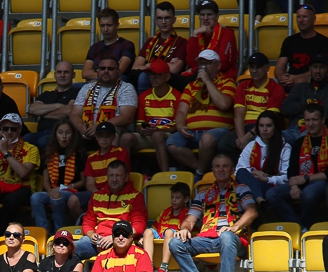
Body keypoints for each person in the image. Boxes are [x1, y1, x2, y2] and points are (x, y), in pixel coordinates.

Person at [169, 153, 257, 272]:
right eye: (217, 166)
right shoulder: (203, 194)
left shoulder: (241, 189)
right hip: (206, 239)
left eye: (225, 166)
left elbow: (252, 211)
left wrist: (233, 228)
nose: (221, 170)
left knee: (226, 236)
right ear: (213, 170)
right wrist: (185, 229)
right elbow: (190, 219)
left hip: (232, 239)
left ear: (232, 170)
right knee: (175, 243)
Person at [265, 103, 328, 229]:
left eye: (314, 120)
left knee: (308, 194)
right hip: (300, 182)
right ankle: (299, 227)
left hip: (322, 182)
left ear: (323, 120)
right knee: (271, 194)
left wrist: (305, 178)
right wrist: (294, 186)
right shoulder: (299, 143)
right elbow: (292, 170)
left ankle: (307, 225)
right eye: (307, 120)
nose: (310, 124)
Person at [167, 49, 236, 177]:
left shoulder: (227, 82)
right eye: (201, 64)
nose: (203, 67)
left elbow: (224, 105)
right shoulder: (191, 86)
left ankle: (199, 174)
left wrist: (208, 82)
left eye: (207, 63)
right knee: (172, 142)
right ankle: (201, 169)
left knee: (207, 139)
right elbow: (181, 110)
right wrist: (180, 126)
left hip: (219, 131)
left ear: (218, 66)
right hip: (192, 133)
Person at [216, 52, 285, 164]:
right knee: (224, 144)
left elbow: (270, 118)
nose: (254, 70)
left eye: (258, 67)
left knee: (256, 143)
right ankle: (242, 165)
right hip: (244, 128)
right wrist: (241, 137)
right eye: (251, 67)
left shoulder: (276, 88)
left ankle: (254, 166)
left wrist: (248, 136)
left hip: (264, 129)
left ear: (267, 68)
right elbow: (238, 114)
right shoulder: (243, 86)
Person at [76, 160, 146, 261]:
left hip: (122, 241)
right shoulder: (96, 196)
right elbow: (88, 221)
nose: (114, 179)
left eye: (118, 175)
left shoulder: (136, 196)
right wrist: (91, 234)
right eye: (111, 175)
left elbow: (139, 225)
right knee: (70, 249)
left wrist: (115, 237)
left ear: (126, 177)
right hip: (98, 241)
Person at [120, 60, 176, 173]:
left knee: (158, 135)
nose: (153, 78)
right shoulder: (143, 97)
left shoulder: (177, 96)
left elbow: (178, 127)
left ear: (167, 77)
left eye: (157, 75)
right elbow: (138, 126)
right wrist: (143, 130)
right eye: (150, 74)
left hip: (168, 135)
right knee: (126, 138)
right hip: (149, 135)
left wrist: (159, 130)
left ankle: (164, 175)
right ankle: (124, 176)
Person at [31, 120, 88, 233]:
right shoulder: (49, 153)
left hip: (72, 191)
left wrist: (65, 187)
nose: (64, 136)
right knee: (35, 197)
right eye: (60, 132)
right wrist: (50, 190)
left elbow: (83, 181)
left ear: (73, 134)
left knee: (57, 196)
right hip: (53, 190)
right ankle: (43, 231)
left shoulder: (79, 153)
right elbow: (45, 180)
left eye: (67, 132)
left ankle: (59, 231)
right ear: (55, 135)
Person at [0, 114, 38, 230]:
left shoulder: (31, 149)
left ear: (20, 129)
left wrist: (6, 152)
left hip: (23, 188)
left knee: (11, 200)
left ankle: (0, 232)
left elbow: (23, 173)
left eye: (13, 129)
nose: (9, 132)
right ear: (1, 129)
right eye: (5, 129)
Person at [70, 57, 138, 143]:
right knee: (65, 130)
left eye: (110, 69)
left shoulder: (126, 88)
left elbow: (126, 117)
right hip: (87, 129)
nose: (106, 71)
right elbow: (74, 114)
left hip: (113, 129)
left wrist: (100, 127)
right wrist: (80, 127)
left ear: (118, 71)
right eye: (102, 68)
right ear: (97, 71)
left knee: (111, 132)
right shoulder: (86, 88)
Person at [233, 110, 289, 209]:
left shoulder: (285, 148)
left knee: (246, 188)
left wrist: (267, 179)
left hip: (272, 187)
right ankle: (260, 200)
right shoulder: (251, 145)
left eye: (269, 126)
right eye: (261, 126)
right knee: (241, 172)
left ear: (275, 127)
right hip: (254, 182)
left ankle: (259, 200)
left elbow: (286, 177)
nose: (265, 129)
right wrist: (254, 171)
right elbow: (238, 171)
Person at [280, 54, 328, 141]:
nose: (318, 71)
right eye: (315, 67)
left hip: (319, 130)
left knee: (302, 139)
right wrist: (307, 103)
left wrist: (302, 106)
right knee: (274, 138)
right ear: (310, 69)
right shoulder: (299, 87)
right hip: (294, 129)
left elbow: (326, 113)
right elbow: (285, 109)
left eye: (322, 67)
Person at [133, 1, 188, 90]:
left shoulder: (182, 42)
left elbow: (175, 69)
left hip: (169, 83)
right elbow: (135, 67)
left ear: (174, 20)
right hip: (150, 80)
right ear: (155, 20)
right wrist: (167, 65)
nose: (163, 22)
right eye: (159, 18)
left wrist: (148, 65)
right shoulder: (150, 42)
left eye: (167, 18)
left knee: (144, 76)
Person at [24, 61, 78, 149]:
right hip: (41, 132)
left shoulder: (77, 92)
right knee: (25, 140)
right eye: (59, 72)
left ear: (73, 75)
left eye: (66, 72)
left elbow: (68, 111)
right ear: (55, 75)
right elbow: (32, 109)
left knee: (43, 142)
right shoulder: (46, 94)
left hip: (61, 134)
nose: (62, 75)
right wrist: (59, 106)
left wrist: (42, 113)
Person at [276, 5, 328, 89]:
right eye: (298, 17)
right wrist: (281, 77)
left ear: (314, 19)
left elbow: (321, 70)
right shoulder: (289, 40)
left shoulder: (324, 41)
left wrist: (295, 79)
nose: (301, 20)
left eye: (305, 17)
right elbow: (279, 66)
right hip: (289, 82)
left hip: (311, 82)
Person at [145, 182, 190, 272]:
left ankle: (164, 269)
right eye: (172, 197)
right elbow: (154, 229)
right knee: (147, 231)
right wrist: (144, 238)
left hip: (177, 243)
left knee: (169, 232)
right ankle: (149, 267)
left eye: (177, 198)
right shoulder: (164, 213)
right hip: (161, 238)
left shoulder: (188, 215)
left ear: (186, 199)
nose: (173, 200)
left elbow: (191, 234)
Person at [182, 0, 237, 80]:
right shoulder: (198, 35)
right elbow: (192, 63)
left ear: (217, 16)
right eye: (202, 15)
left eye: (209, 14)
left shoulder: (227, 34)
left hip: (222, 79)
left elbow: (222, 63)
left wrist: (194, 70)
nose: (205, 18)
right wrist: (195, 35)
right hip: (199, 77)